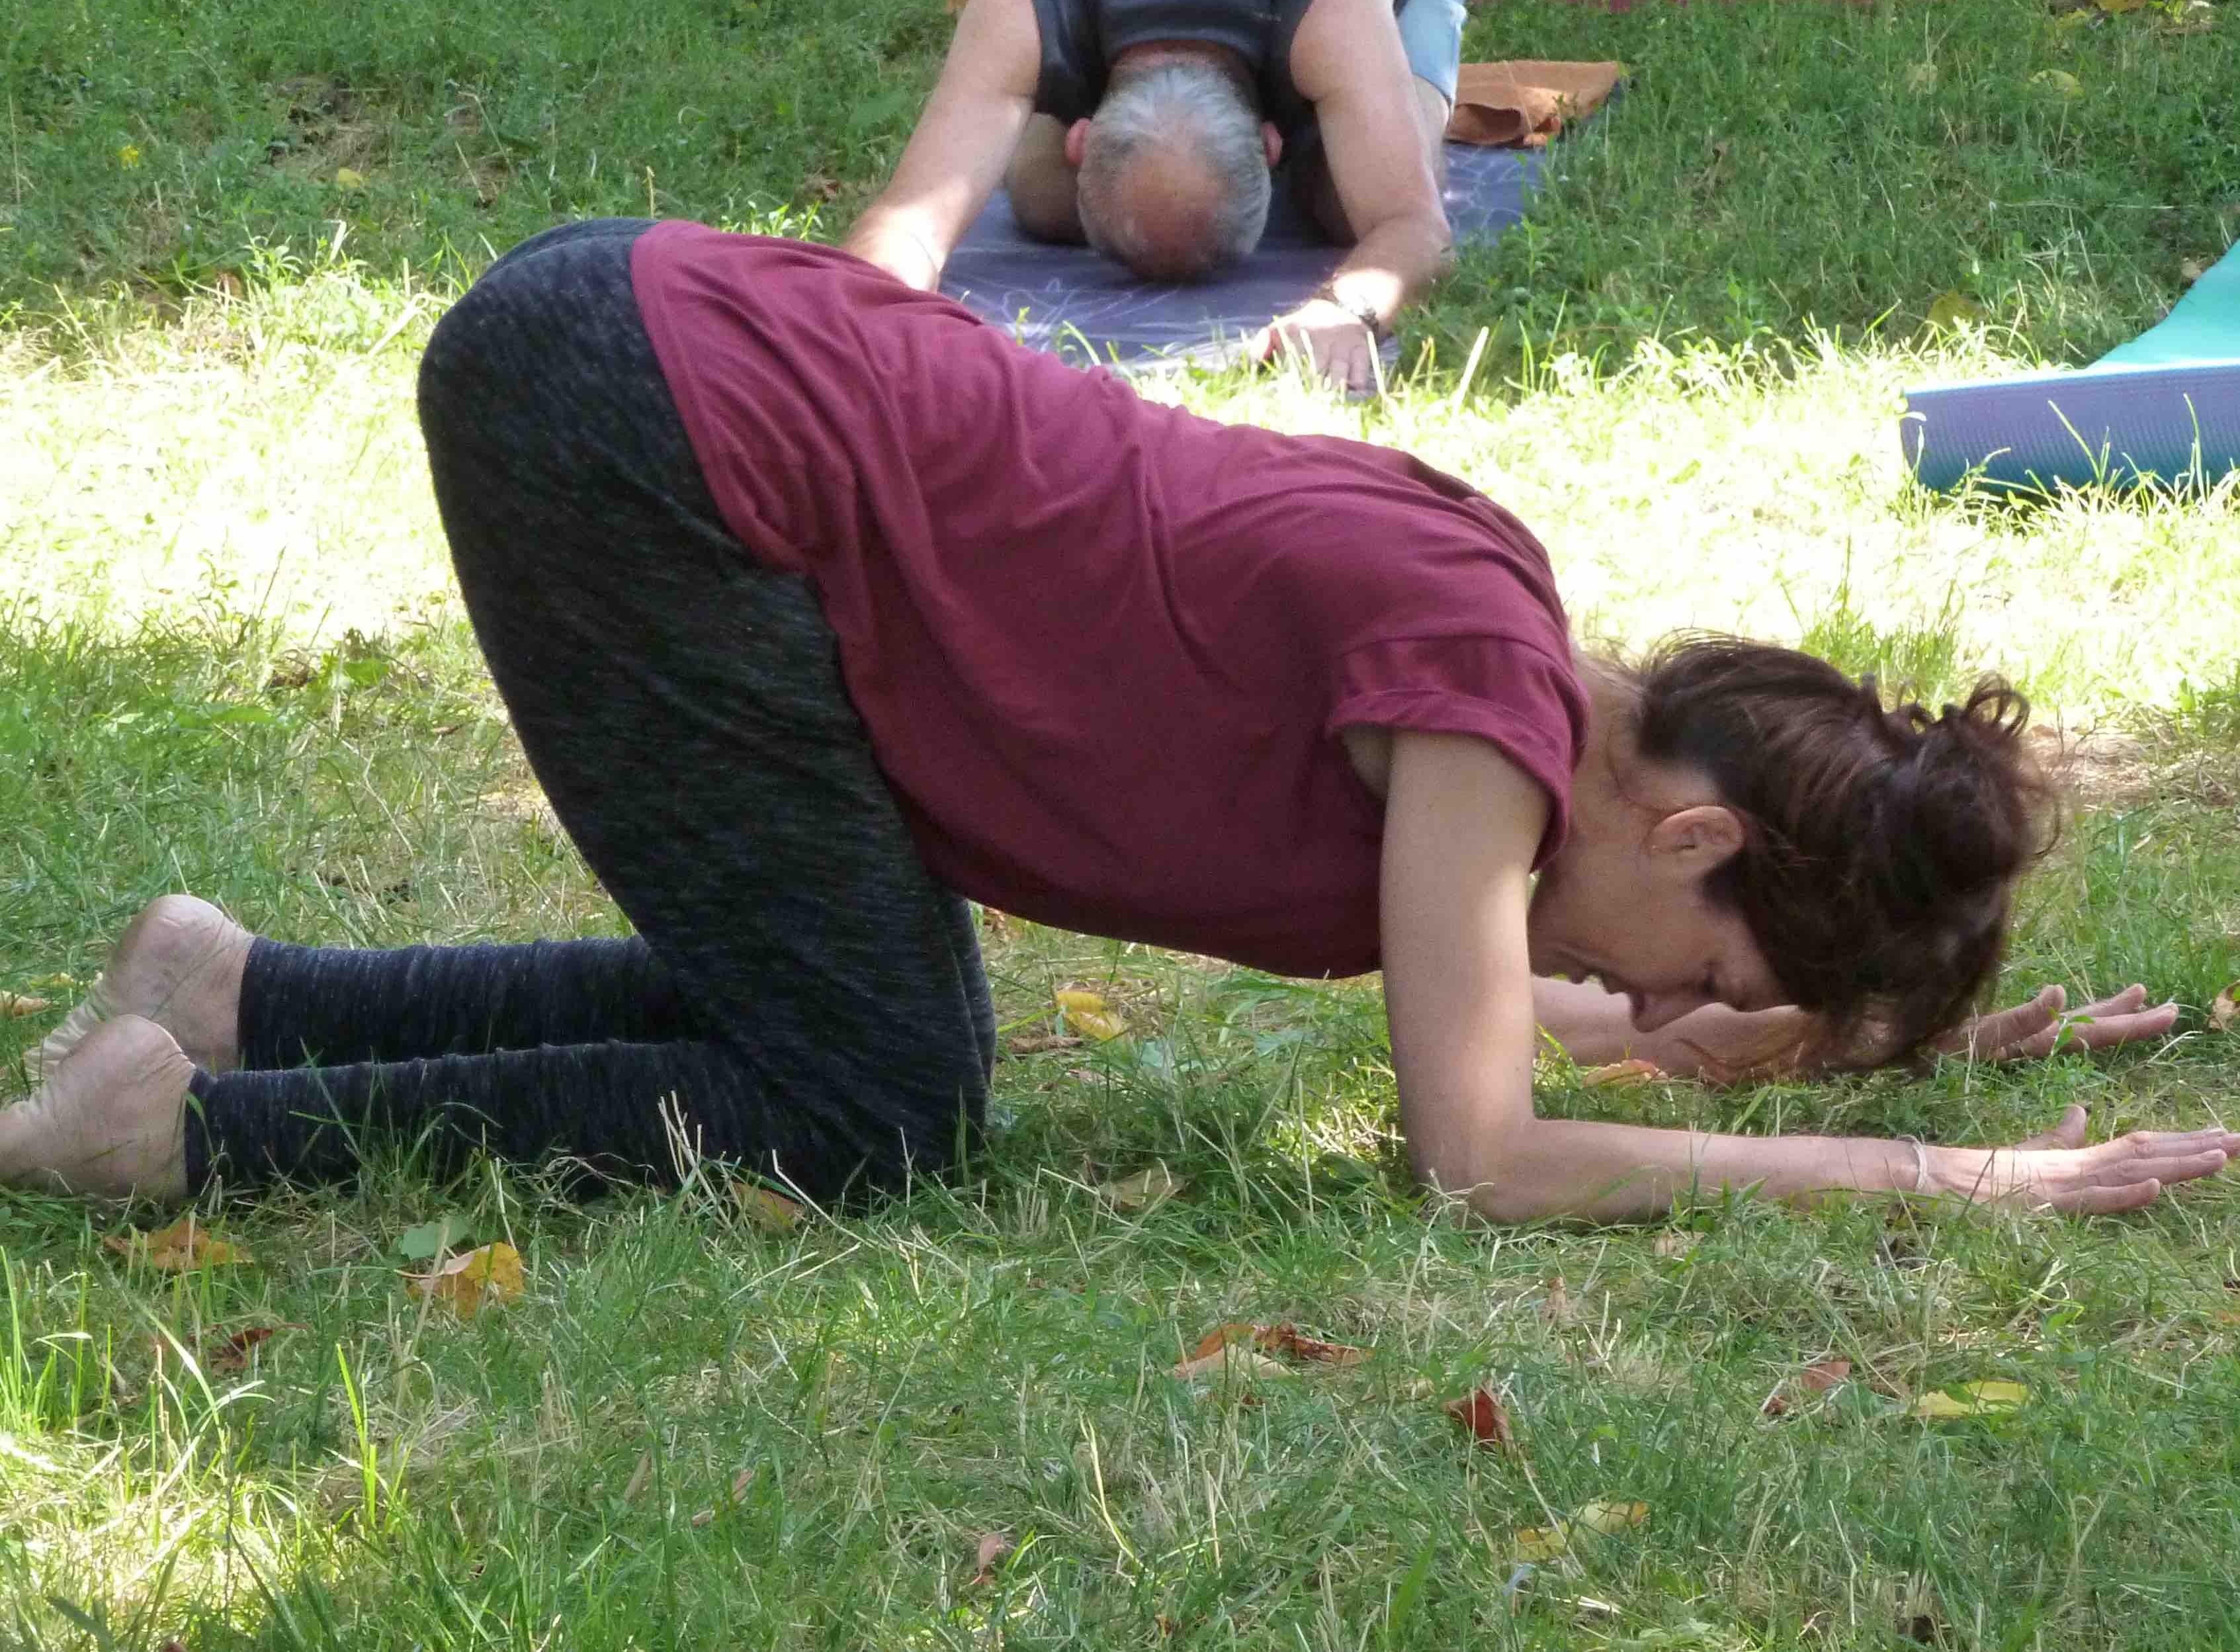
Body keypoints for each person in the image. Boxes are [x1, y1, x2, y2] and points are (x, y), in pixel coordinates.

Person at [3, 221, 2221, 1219]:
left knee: (840, 1015)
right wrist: (1941, 1179)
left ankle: (237, 995)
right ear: (1699, 834)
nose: (1651, 1003)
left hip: (661, 355)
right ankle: (173, 1134)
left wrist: (1851, 1043)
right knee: (872, 1104)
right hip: (661, 432)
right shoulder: (1479, 713)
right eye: (1701, 969)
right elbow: (1476, 1154)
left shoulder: (1511, 672)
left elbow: (1503, 998)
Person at [840, 0, 1474, 393]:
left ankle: (1321, 131)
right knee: (1040, 197)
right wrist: (861, 317)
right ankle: (1312, 131)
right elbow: (910, 220)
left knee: (1346, 207)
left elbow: (1416, 226)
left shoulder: (1332, 2)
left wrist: (1345, 311)